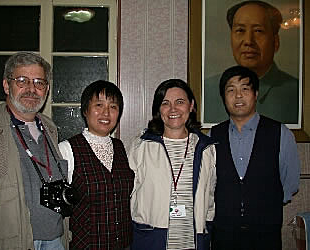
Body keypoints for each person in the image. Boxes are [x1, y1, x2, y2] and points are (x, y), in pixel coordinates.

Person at [0, 52, 70, 249]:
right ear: (6, 85)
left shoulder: (49, 127)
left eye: (39, 82)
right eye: (22, 80)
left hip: (55, 238)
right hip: (8, 242)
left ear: (47, 89)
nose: (31, 89)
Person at [209, 65, 300, 250]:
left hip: (265, 234)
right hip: (224, 234)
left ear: (256, 93)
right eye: (231, 90)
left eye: (245, 88)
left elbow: (290, 183)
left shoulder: (280, 133)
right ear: (224, 97)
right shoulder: (213, 135)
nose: (238, 95)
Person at [127, 79, 217, 250]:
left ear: (191, 106)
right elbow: (128, 195)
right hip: (152, 239)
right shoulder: (141, 146)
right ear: (158, 110)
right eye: (165, 103)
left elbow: (211, 198)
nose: (173, 109)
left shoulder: (206, 148)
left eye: (180, 102)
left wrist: (207, 228)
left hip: (194, 241)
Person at [58, 80, 134, 250]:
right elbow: (58, 211)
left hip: (123, 244)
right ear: (85, 110)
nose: (106, 113)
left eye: (113, 107)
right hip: (86, 245)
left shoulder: (120, 147)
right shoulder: (67, 149)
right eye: (99, 105)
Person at [204, 0, 299, 124]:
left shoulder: (296, 91)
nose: (248, 41)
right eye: (240, 30)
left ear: (275, 42)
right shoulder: (208, 89)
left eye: (258, 31)